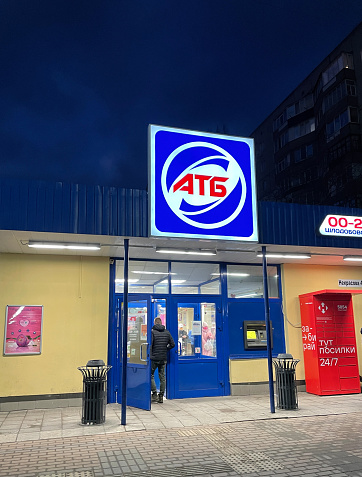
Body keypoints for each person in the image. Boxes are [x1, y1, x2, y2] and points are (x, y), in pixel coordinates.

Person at [150, 317, 175, 403]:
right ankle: (161, 396)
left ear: (155, 323)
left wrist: (151, 353)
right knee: (162, 377)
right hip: (163, 358)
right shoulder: (167, 332)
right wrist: (166, 349)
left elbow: (150, 345)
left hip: (154, 358)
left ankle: (154, 394)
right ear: (161, 323)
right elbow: (173, 344)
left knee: (150, 375)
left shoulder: (152, 332)